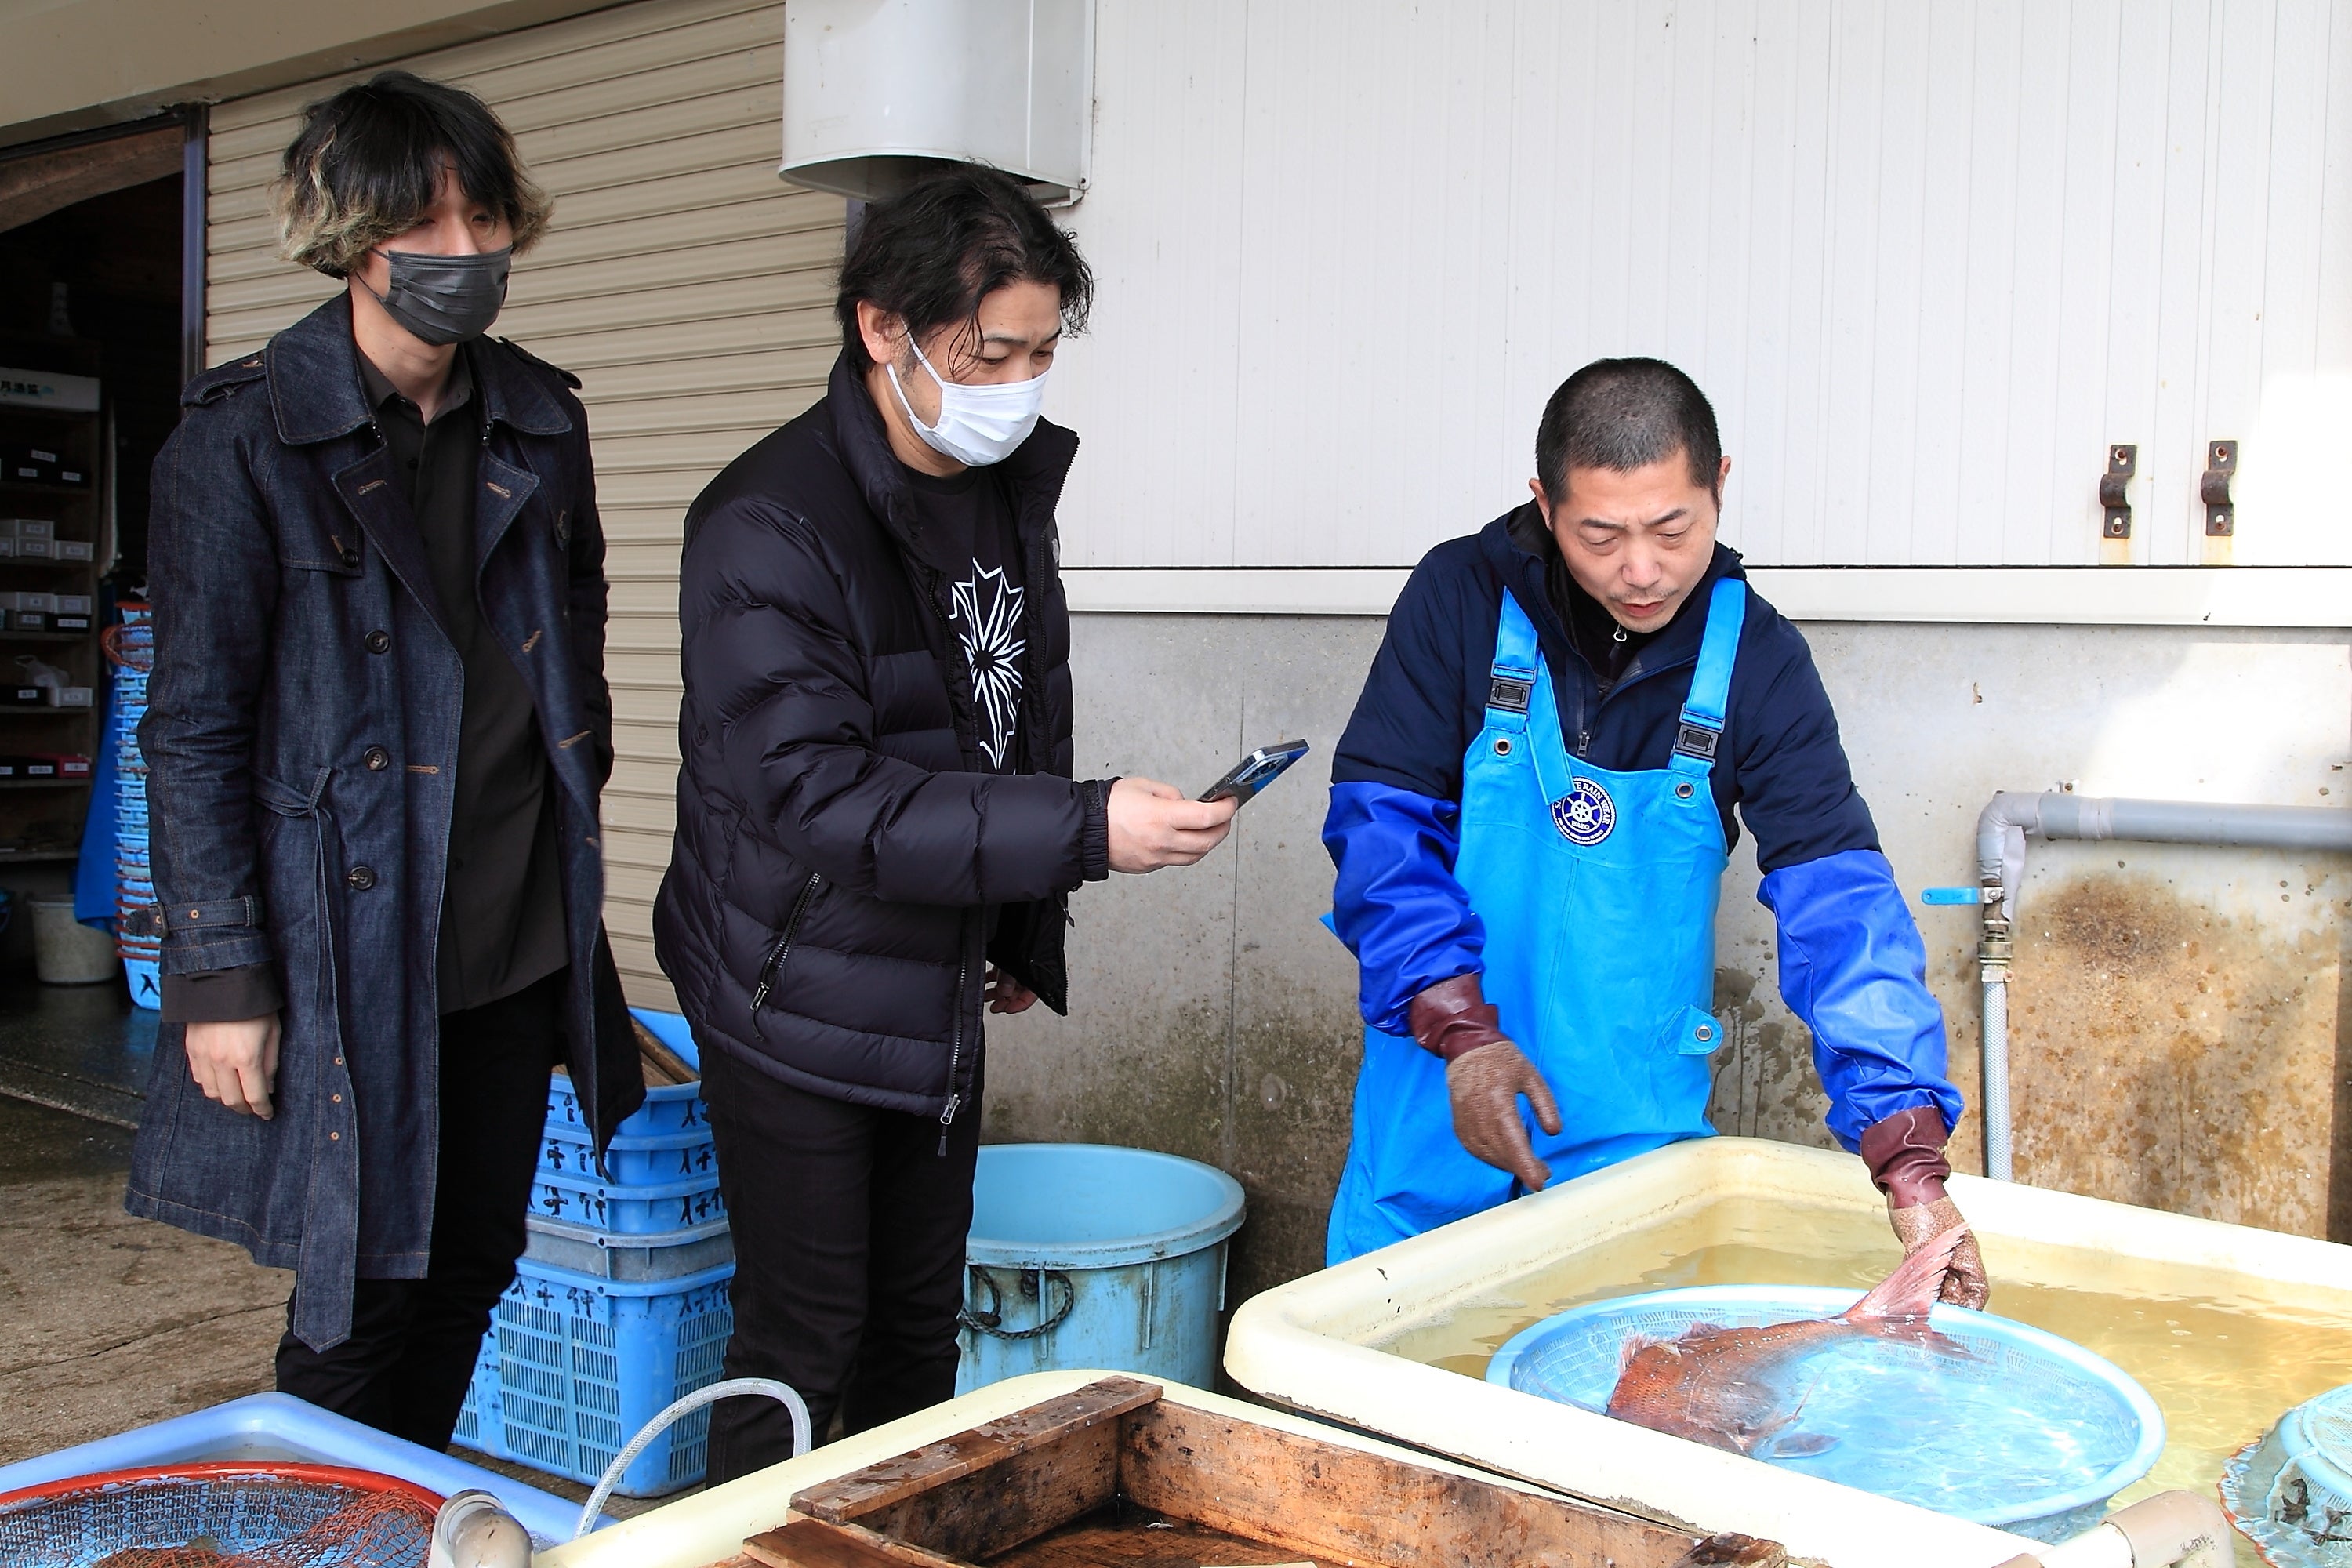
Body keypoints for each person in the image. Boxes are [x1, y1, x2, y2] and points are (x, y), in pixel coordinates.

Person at [656, 165, 1237, 1478]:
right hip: (790, 983)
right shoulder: (767, 524)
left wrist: (1020, 924)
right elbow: (822, 796)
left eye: (1041, 352)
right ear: (884, 329)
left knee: (918, 1334)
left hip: (927, 973)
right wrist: (1085, 831)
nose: (1019, 385)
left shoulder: (999, 483)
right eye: (991, 354)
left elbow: (1006, 716)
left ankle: (887, 1543)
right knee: (804, 1340)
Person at [126, 71, 641, 1446]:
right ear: (352, 238)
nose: (463, 253)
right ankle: (328, 1525)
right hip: (348, 941)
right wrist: (220, 976)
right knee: (355, 1301)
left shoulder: (542, 418)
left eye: (485, 219)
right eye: (423, 223)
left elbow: (575, 625)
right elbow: (190, 727)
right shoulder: (243, 438)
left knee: (471, 1267)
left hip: (512, 934)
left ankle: (398, 1513)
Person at [1323, 358, 1987, 1305]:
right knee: (1376, 1357)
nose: (1640, 570)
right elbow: (1382, 828)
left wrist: (1911, 1164)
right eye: (1600, 535)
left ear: (1720, 486)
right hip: (1437, 1090)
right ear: (1545, 505)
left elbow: (1841, 908)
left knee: (1618, 1369)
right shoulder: (1458, 598)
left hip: (1629, 1136)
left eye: (1673, 530)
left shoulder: (1760, 661)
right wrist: (1461, 1030)